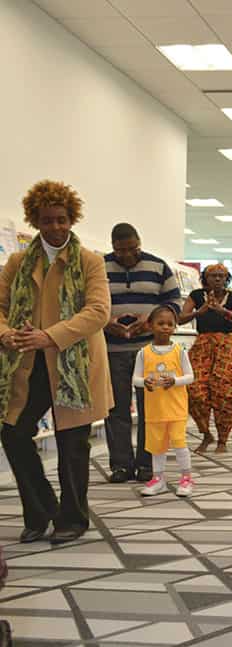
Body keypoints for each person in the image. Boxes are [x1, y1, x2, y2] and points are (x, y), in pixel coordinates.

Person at [0, 180, 113, 545]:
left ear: (72, 218)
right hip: (28, 365)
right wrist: (6, 334)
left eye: (62, 220)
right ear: (36, 221)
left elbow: (97, 312)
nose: (56, 228)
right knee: (13, 432)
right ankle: (40, 509)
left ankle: (73, 518)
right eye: (48, 221)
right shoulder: (18, 262)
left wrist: (50, 336)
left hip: (75, 368)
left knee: (72, 444)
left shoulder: (89, 261)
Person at [103, 222, 182, 483]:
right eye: (120, 250)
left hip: (150, 352)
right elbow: (87, 305)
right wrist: (106, 324)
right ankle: (121, 465)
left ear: (140, 242)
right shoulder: (99, 267)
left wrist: (148, 320)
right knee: (116, 409)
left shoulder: (158, 267)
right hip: (112, 350)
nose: (126, 255)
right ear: (112, 246)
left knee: (152, 410)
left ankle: (147, 463)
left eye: (132, 249)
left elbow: (174, 305)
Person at [179, 264, 232, 453]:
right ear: (205, 278)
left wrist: (224, 312)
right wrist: (198, 312)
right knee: (194, 390)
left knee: (227, 394)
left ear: (227, 278)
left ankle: (222, 439)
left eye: (221, 276)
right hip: (202, 347)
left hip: (227, 348)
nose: (217, 279)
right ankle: (206, 433)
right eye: (213, 276)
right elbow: (180, 318)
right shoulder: (196, 295)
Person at [133, 304, 196, 497]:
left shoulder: (179, 351)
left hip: (176, 409)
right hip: (154, 411)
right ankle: (158, 478)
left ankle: (186, 478)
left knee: (179, 444)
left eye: (170, 324)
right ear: (150, 325)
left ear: (175, 327)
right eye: (160, 323)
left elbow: (190, 377)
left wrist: (175, 381)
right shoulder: (143, 353)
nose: (165, 327)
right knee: (156, 446)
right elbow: (135, 379)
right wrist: (145, 382)